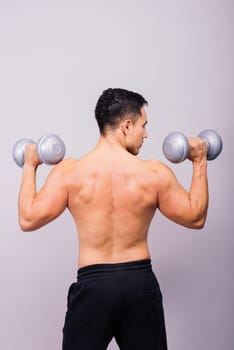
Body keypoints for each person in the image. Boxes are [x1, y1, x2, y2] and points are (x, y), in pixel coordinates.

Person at [18, 88, 208, 350]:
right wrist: (199, 161)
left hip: (93, 287)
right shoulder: (152, 173)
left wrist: (30, 164)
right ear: (126, 126)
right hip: (139, 285)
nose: (147, 134)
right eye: (144, 125)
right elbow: (195, 216)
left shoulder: (71, 173)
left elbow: (28, 219)